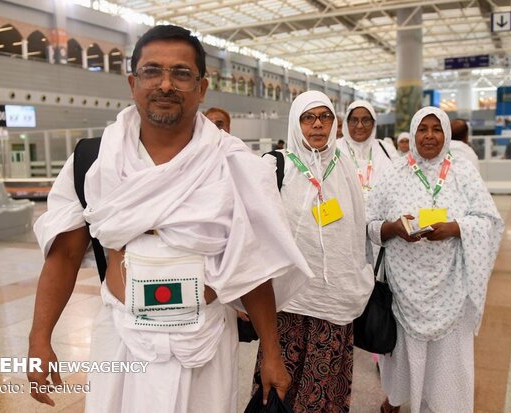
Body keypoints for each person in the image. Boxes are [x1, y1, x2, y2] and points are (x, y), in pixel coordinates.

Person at [27, 25, 314, 413]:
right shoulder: (93, 161)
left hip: (205, 345)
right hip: (122, 341)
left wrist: (272, 354)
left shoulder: (234, 164)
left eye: (181, 73)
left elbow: (253, 266)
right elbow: (62, 256)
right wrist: (39, 339)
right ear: (132, 82)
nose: (165, 84)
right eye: (151, 71)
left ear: (201, 86)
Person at [366, 106, 504, 413]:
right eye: (422, 129)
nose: (429, 136)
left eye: (436, 129)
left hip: (450, 287)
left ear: (447, 134)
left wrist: (455, 228)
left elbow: (489, 220)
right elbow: (369, 223)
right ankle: (397, 399)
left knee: (448, 359)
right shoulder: (393, 172)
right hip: (403, 289)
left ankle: (443, 405)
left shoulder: (463, 172)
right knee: (404, 356)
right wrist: (393, 229)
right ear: (413, 134)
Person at [253, 91, 372, 412]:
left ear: (335, 123)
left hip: (334, 301)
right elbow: (255, 234)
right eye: (309, 118)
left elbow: (357, 228)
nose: (318, 125)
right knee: (278, 389)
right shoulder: (274, 165)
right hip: (286, 302)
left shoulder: (344, 165)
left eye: (325, 117)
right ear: (296, 122)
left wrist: (359, 277)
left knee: (323, 394)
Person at [337, 100, 395, 204]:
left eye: (366, 120)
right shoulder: (335, 149)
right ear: (347, 123)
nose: (359, 126)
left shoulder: (386, 149)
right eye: (354, 120)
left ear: (374, 123)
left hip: (383, 218)